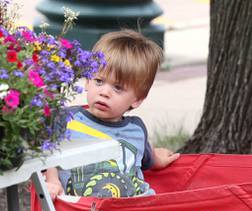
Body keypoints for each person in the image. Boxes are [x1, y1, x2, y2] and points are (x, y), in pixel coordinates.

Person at [44, 30, 180, 199]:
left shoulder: (136, 129)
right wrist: (52, 180)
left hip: (134, 210)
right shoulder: (66, 120)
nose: (105, 92)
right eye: (99, 81)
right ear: (87, 81)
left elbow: (146, 156)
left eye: (118, 88)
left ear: (137, 100)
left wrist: (157, 159)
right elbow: (47, 154)